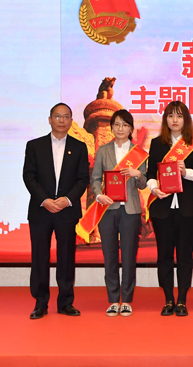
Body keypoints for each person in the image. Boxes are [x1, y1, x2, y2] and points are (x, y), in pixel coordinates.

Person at [22, 103, 89, 320]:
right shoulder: (35, 146)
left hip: (67, 211)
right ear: (50, 119)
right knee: (39, 257)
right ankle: (40, 303)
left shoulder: (79, 147)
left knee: (66, 258)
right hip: (41, 211)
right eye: (57, 116)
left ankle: (66, 302)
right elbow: (29, 176)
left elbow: (83, 179)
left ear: (71, 121)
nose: (61, 120)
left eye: (66, 116)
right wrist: (45, 200)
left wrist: (67, 200)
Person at [90, 110, 148, 317]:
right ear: (112, 127)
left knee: (130, 255)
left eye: (125, 125)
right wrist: (99, 195)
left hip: (130, 210)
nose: (120, 129)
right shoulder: (103, 150)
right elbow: (95, 179)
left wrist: (137, 174)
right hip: (108, 209)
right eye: (116, 125)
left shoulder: (138, 153)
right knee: (110, 255)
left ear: (131, 128)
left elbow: (143, 183)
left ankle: (127, 300)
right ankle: (114, 300)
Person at [146, 101, 193, 317]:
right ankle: (168, 298)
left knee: (185, 255)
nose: (175, 120)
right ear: (165, 119)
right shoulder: (157, 143)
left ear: (185, 119)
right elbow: (151, 174)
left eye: (179, 116)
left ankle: (182, 300)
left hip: (187, 208)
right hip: (162, 208)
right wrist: (154, 189)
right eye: (170, 116)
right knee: (164, 255)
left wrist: (186, 172)